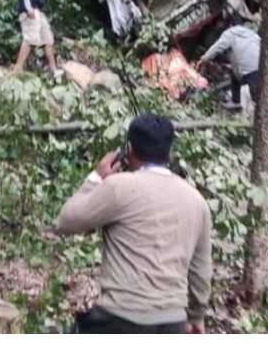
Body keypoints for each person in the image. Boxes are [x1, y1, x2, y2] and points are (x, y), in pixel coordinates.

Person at [58, 113, 212, 334]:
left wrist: (96, 177)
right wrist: (196, 316)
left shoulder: (118, 187)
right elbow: (200, 272)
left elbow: (66, 221)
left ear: (128, 149)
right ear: (169, 152)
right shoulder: (197, 201)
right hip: (172, 321)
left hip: (119, 318)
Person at [195, 11, 261, 109]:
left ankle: (242, 104)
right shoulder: (250, 33)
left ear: (229, 25)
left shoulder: (230, 33)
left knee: (255, 94)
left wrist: (203, 59)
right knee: (236, 78)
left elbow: (217, 47)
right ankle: (239, 103)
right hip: (260, 64)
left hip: (247, 69)